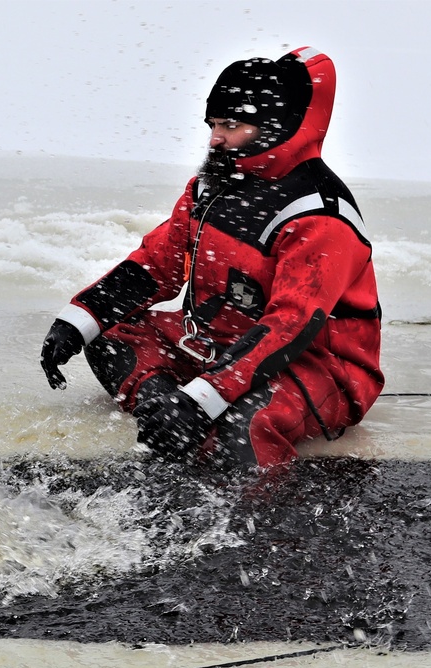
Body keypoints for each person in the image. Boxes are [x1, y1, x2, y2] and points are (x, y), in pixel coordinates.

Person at [39, 46, 383, 469]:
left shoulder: (320, 215)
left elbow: (289, 327)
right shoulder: (211, 188)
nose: (214, 138)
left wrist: (204, 398)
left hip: (313, 367)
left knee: (245, 423)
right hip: (217, 344)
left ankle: (259, 524)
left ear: (274, 126)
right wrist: (75, 323)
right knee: (108, 337)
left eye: (231, 125)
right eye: (213, 124)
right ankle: (168, 416)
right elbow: (157, 264)